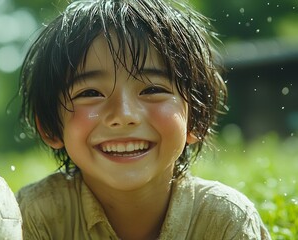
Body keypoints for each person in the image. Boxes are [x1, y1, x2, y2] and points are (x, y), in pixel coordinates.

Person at [16, 0, 271, 239]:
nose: (124, 115)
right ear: (50, 127)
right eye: (90, 93)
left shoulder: (224, 220)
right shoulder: (33, 217)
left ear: (197, 118)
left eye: (152, 90)